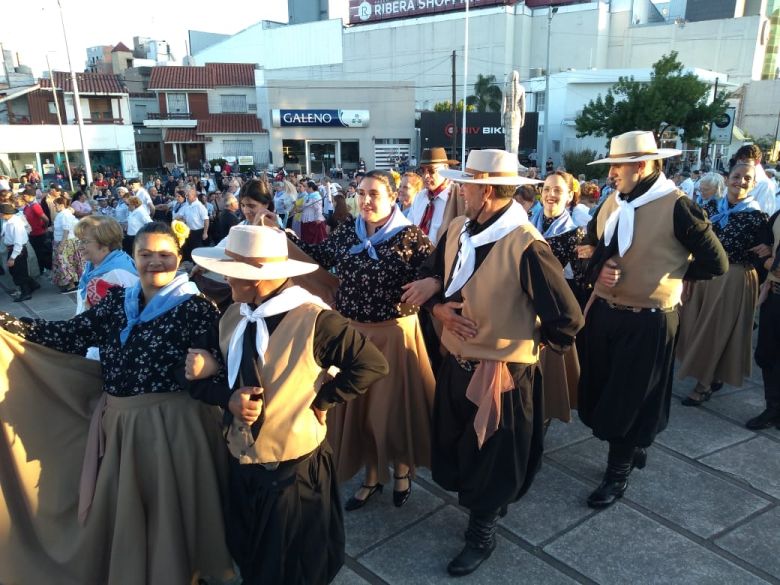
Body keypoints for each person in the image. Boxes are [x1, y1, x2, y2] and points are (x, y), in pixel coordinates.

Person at [0, 222, 236, 584]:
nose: (154, 263)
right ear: (133, 256)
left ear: (179, 258)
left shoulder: (196, 309)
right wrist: (8, 325)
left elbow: (225, 368)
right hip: (121, 426)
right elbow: (70, 334)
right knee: (132, 513)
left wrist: (209, 366)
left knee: (171, 513)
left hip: (174, 430)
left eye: (164, 255)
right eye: (145, 255)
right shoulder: (117, 303)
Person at [402, 149, 584, 576]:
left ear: (484, 191)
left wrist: (519, 343)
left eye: (465, 184)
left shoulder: (526, 245)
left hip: (500, 376)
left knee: (492, 460)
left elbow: (567, 320)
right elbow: (439, 280)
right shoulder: (457, 230)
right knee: (456, 448)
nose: (459, 190)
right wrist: (438, 307)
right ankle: (486, 508)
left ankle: (481, 534)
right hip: (457, 365)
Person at [188, 225, 388, 584]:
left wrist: (323, 399)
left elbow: (372, 365)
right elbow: (202, 375)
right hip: (242, 463)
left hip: (292, 471)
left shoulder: (316, 320)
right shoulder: (234, 312)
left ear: (258, 278)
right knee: (250, 555)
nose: (225, 279)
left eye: (233, 273)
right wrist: (226, 395)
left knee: (294, 565)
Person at [577, 131, 728, 509]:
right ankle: (633, 444)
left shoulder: (678, 206)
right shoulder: (613, 202)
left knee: (628, 400)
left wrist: (669, 274)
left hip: (649, 320)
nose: (611, 174)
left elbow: (716, 263)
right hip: (608, 315)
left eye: (617, 167)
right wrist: (600, 267)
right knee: (599, 393)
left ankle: (618, 472)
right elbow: (592, 247)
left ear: (641, 166)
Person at [290, 170, 436, 512]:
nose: (366, 200)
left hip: (394, 336)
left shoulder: (411, 236)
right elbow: (315, 258)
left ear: (392, 198)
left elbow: (438, 270)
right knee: (360, 412)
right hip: (353, 335)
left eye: (374, 194)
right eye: (361, 193)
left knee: (392, 410)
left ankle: (402, 470)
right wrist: (276, 235)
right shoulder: (345, 234)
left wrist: (433, 283)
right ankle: (372, 475)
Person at [677, 162, 770, 405]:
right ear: (727, 179)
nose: (741, 181)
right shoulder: (708, 207)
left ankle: (704, 384)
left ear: (754, 184)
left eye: (747, 179)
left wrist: (768, 250)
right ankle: (710, 373)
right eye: (737, 176)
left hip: (733, 278)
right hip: (703, 277)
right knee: (694, 327)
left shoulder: (758, 217)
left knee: (716, 331)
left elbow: (768, 249)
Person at [746, 209, 780, 429]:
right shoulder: (778, 215)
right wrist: (768, 257)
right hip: (775, 295)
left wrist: (771, 262)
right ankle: (773, 408)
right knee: (767, 353)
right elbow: (763, 243)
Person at [406, 147, 459, 245]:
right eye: (422, 170)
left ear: (446, 169)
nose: (426, 176)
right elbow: (409, 227)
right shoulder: (420, 197)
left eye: (431, 171)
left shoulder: (456, 198)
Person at [1, 202, 39, 302]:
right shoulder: (8, 222)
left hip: (18, 250)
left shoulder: (15, 224)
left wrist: (12, 257)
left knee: (19, 272)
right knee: (15, 271)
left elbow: (18, 243)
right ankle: (33, 285)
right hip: (12, 248)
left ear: (6, 214)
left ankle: (26, 292)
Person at [51, 197, 83, 293]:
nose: (54, 206)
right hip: (63, 241)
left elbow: (66, 230)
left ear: (61, 205)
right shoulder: (62, 214)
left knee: (65, 263)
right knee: (69, 263)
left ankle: (71, 284)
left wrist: (61, 245)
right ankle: (72, 283)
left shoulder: (64, 214)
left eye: (55, 204)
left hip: (65, 242)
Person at [734, 144, 776, 216]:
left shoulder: (765, 185)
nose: (741, 163)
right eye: (739, 159)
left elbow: (766, 214)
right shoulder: (735, 179)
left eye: (745, 159)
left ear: (757, 161)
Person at [174, 186, 209, 262]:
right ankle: (191, 265)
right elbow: (178, 216)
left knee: (197, 250)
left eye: (188, 195)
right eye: (186, 195)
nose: (186, 197)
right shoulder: (186, 205)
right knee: (189, 249)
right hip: (189, 231)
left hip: (198, 231)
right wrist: (181, 220)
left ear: (194, 196)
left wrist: (205, 233)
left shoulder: (200, 206)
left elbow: (206, 220)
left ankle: (199, 265)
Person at [22, 187, 52, 274]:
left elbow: (46, 219)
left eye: (25, 196)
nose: (23, 197)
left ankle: (46, 270)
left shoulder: (35, 206)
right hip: (32, 234)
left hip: (39, 234)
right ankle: (42, 270)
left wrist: (45, 227)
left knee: (42, 254)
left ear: (31, 196)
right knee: (38, 254)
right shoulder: (27, 206)